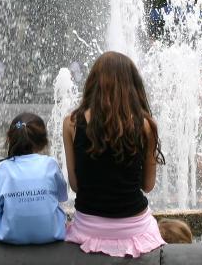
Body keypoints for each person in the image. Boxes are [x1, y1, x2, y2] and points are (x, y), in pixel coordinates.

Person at [63, 51, 166, 258]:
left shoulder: (71, 122)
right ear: (132, 85)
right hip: (134, 228)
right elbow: (147, 186)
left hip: (88, 227)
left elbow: (75, 185)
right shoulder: (146, 125)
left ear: (93, 82)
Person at [0, 112, 68, 244]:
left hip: (9, 236)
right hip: (51, 233)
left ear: (11, 138)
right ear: (43, 141)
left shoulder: (3, 168)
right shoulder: (50, 164)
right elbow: (62, 196)